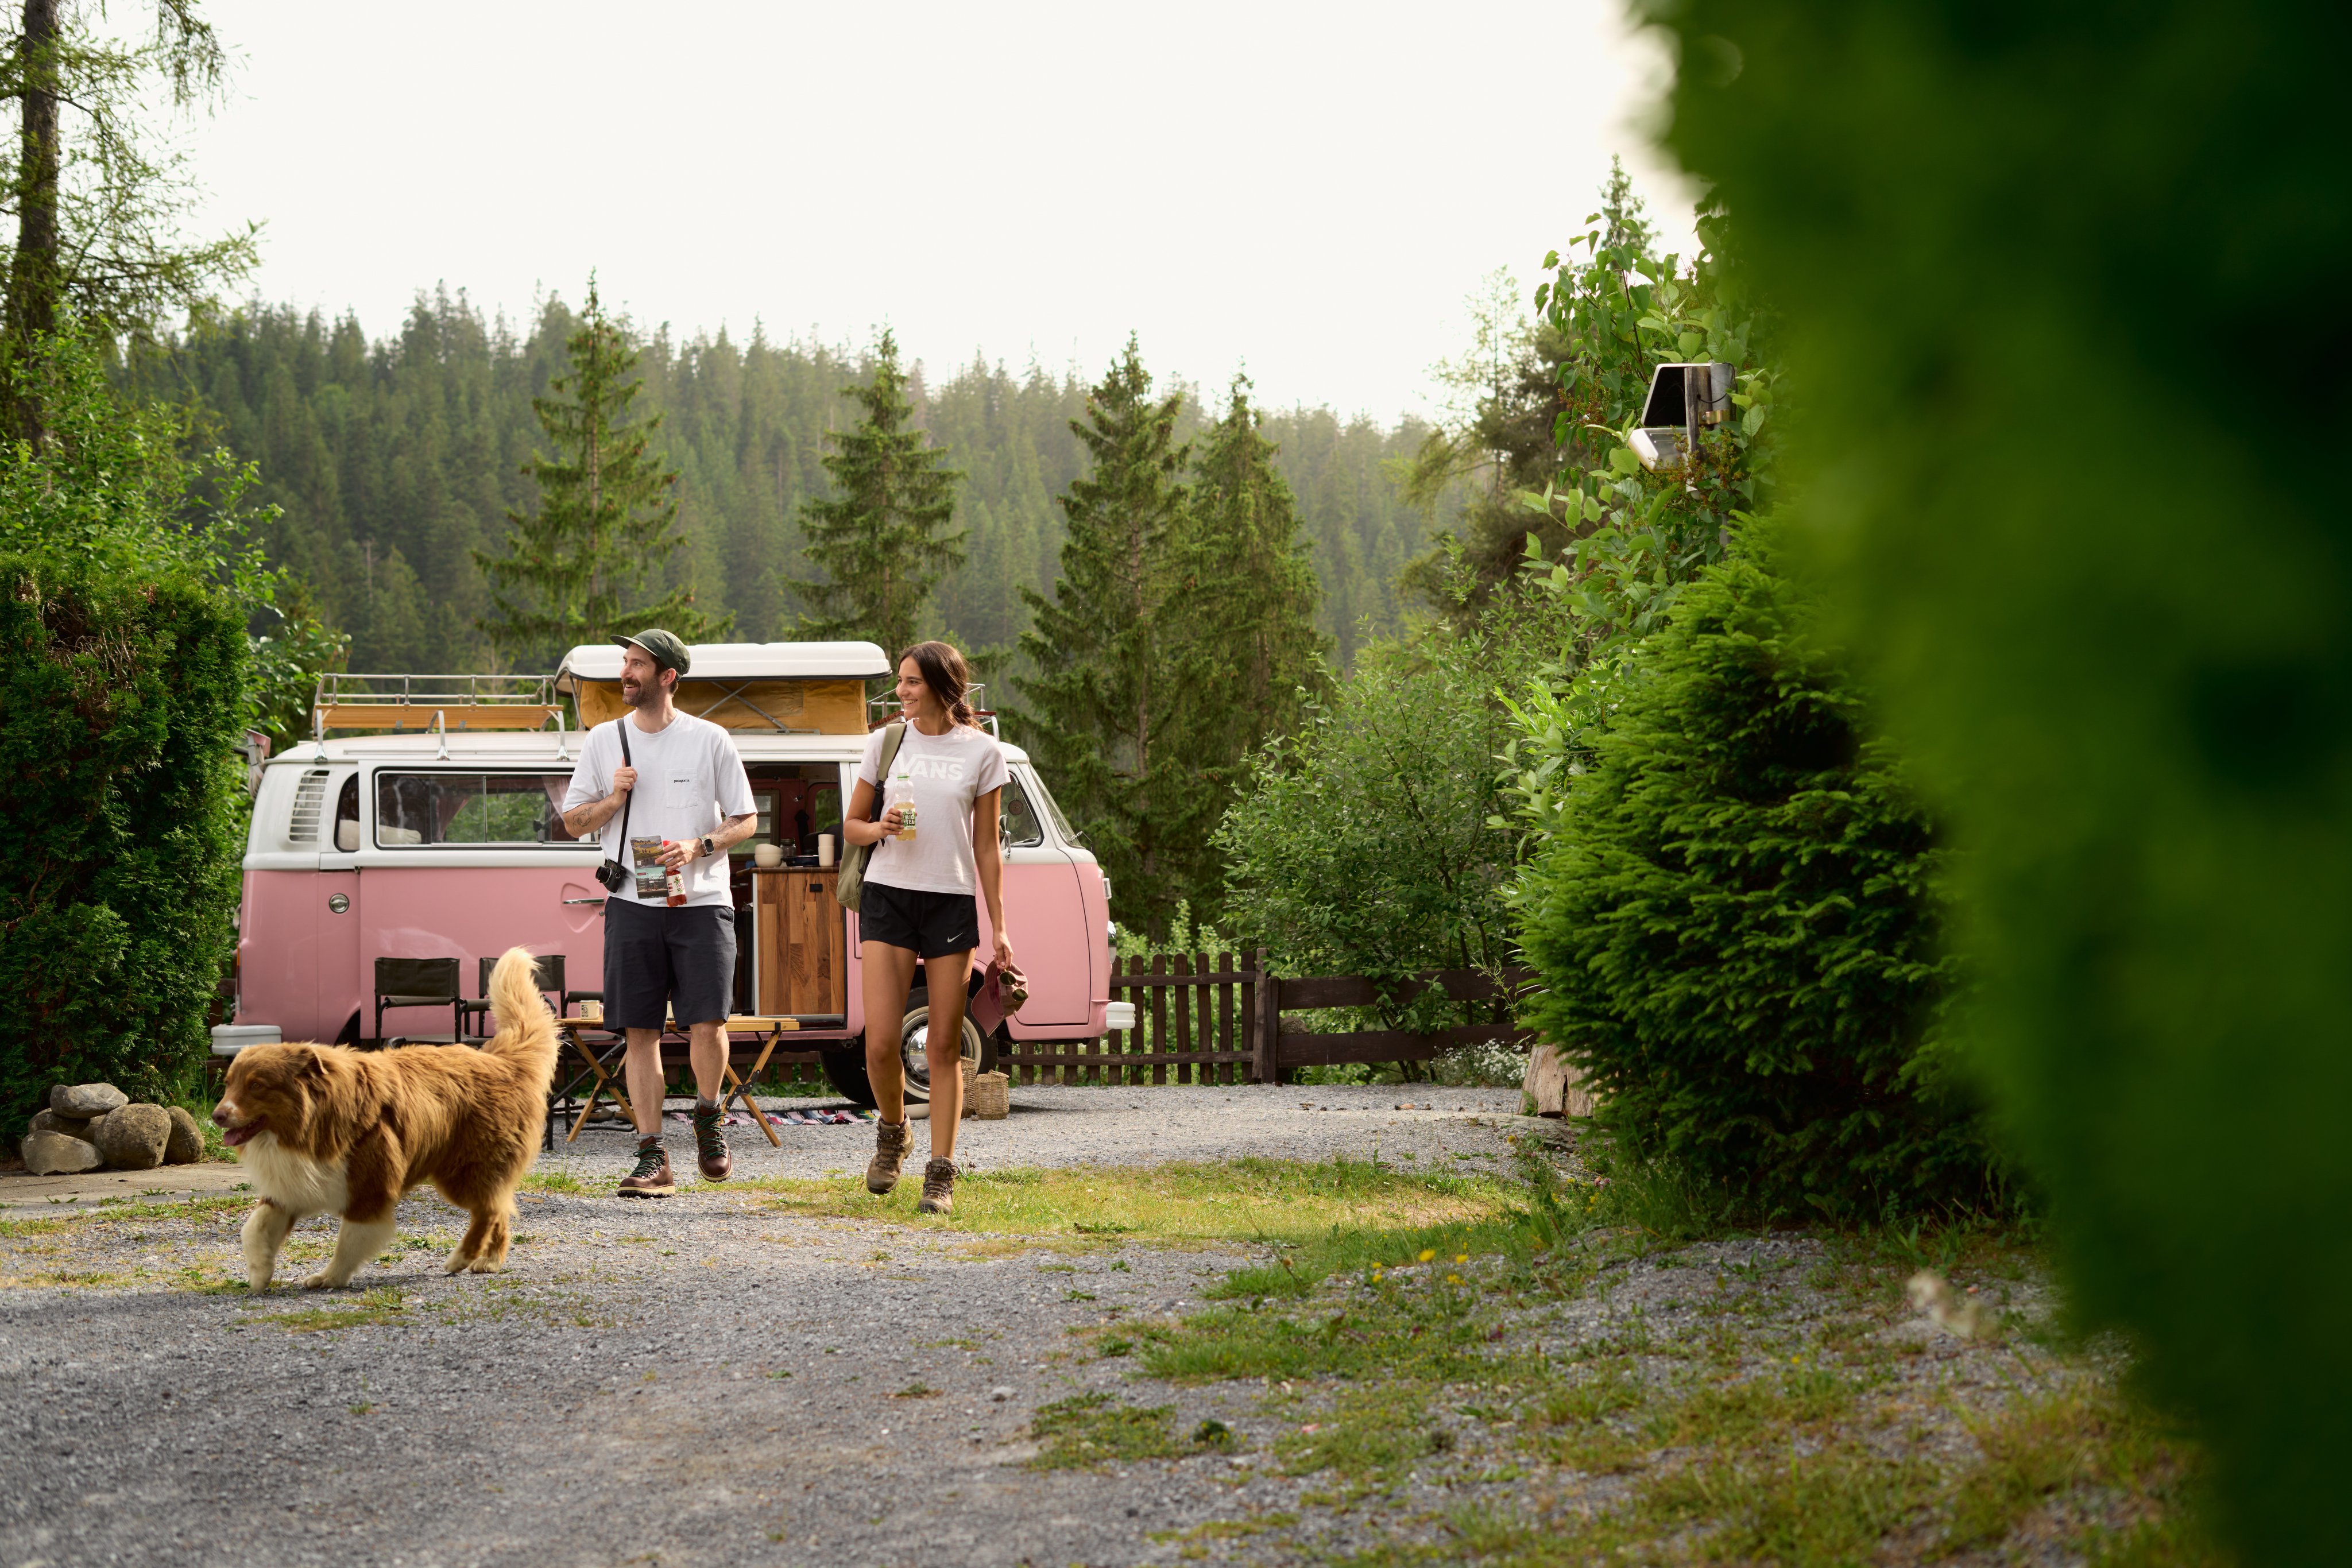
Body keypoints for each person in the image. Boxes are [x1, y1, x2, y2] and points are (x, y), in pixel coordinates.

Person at [560, 630, 758, 1197]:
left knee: (708, 1021)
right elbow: (574, 823)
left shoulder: (710, 739)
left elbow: (744, 820)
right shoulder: (605, 740)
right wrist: (613, 801)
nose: (627, 671)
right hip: (630, 901)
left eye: (638, 663)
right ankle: (653, 1157)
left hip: (702, 902)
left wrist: (699, 846)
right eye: (625, 661)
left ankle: (708, 1117)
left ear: (668, 676)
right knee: (639, 1031)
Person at [846, 640, 1013, 1215]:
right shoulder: (885, 742)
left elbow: (987, 847)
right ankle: (893, 1133)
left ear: (943, 686)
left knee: (943, 1045)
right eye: (901, 681)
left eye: (912, 682)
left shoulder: (984, 753)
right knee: (880, 1043)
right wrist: (879, 827)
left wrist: (1001, 927)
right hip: (888, 897)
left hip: (950, 901)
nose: (901, 692)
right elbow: (850, 827)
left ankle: (940, 1173)